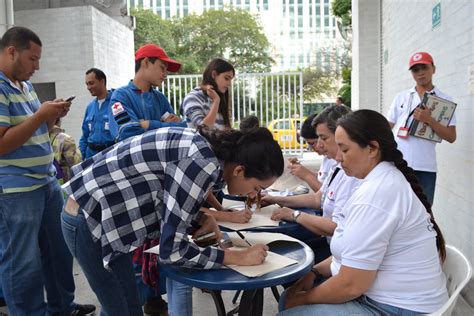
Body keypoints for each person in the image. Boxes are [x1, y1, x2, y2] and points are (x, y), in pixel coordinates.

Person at [60, 126, 284, 316]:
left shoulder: (205, 152)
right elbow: (172, 252)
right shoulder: (202, 163)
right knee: (120, 309)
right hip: (89, 220)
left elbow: (171, 196)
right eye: (257, 188)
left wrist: (201, 218)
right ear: (239, 170)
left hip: (101, 220)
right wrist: (237, 257)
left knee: (128, 307)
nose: (253, 195)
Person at [278, 109, 448, 315]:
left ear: (372, 148)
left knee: (290, 307)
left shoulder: (378, 193)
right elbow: (353, 251)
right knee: (289, 298)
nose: (338, 158)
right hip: (390, 299)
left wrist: (303, 299)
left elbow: (351, 285)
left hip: (397, 307)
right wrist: (314, 271)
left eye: (345, 149)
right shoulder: (377, 181)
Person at [0, 26, 95, 315]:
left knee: (58, 252)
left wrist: (50, 117)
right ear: (11, 51)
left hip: (45, 182)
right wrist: (40, 114)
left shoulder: (24, 86)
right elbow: (3, 143)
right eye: (33, 59)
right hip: (16, 189)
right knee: (23, 261)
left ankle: (62, 307)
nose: (37, 66)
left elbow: (34, 132)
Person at [264, 106, 359, 262]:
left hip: (339, 250)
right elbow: (318, 199)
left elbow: (337, 226)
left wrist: (295, 215)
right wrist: (275, 199)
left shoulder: (353, 173)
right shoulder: (337, 166)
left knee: (285, 258)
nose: (319, 145)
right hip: (334, 245)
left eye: (324, 138)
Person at [387, 52, 456, 205]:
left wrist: (429, 120)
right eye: (415, 70)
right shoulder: (401, 97)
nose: (420, 73)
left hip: (426, 166)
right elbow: (387, 127)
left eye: (424, 67)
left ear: (433, 69)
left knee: (424, 213)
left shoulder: (444, 100)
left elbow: (451, 137)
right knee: (395, 208)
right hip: (399, 163)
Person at [108, 43, 186, 142]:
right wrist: (164, 125)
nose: (165, 74)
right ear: (146, 62)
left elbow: (181, 128)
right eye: (162, 68)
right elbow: (125, 133)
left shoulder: (160, 98)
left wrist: (146, 124)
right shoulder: (120, 96)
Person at [181, 57, 234, 129]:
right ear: (214, 74)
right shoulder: (192, 97)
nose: (229, 84)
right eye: (226, 78)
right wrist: (216, 102)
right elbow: (204, 128)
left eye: (230, 80)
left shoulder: (218, 98)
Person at [287, 113, 334, 192]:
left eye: (312, 143)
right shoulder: (327, 158)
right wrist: (303, 171)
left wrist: (306, 175)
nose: (319, 145)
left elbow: (325, 196)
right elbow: (323, 180)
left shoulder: (336, 160)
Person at [79, 68, 115, 159]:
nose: (88, 87)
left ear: (102, 81)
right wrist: (82, 155)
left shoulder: (116, 103)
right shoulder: (90, 107)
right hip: (91, 156)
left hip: (110, 155)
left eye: (91, 83)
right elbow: (85, 135)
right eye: (87, 84)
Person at [50, 118, 82, 183]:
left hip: (49, 180)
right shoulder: (66, 139)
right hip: (65, 181)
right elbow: (75, 163)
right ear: (59, 120)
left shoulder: (40, 137)